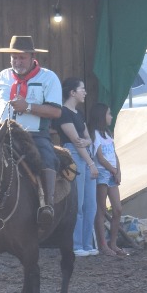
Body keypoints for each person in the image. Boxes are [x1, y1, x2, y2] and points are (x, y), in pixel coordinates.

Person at [0, 35, 63, 224]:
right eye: (14, 58)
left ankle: (47, 205)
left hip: (34, 136)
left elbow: (56, 111)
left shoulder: (48, 78)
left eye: (22, 58)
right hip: (1, 133)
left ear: (32, 56)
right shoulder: (2, 76)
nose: (17, 62)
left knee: (47, 157)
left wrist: (28, 107)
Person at [58, 77, 99, 256]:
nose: (85, 92)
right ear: (72, 92)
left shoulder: (78, 113)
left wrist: (86, 143)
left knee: (91, 205)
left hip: (85, 156)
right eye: (82, 89)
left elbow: (87, 138)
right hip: (74, 157)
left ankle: (87, 244)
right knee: (79, 203)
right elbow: (76, 141)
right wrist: (91, 163)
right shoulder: (63, 113)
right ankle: (76, 245)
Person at [89, 101, 127, 257]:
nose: (111, 116)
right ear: (101, 116)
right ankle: (103, 244)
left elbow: (114, 153)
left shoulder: (108, 134)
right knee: (101, 209)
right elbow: (100, 157)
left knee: (117, 209)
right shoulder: (95, 134)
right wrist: (112, 170)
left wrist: (118, 170)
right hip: (102, 173)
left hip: (112, 173)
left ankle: (113, 243)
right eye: (109, 113)